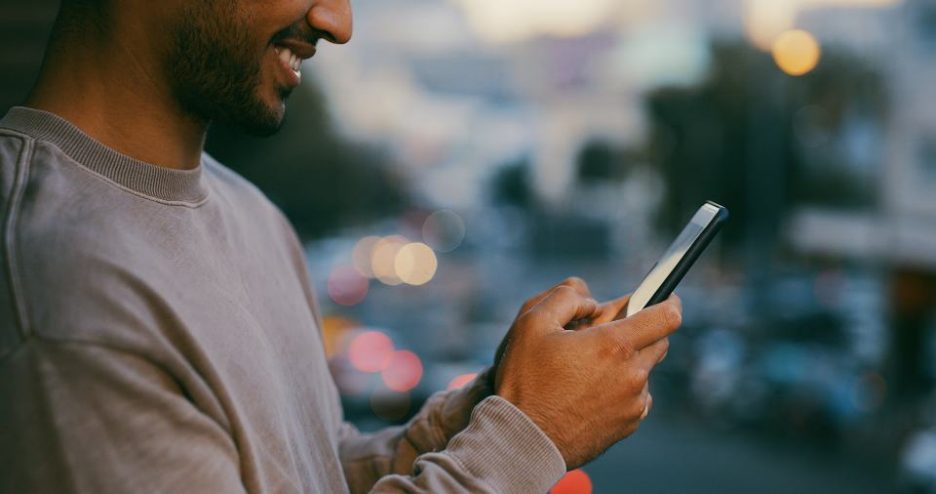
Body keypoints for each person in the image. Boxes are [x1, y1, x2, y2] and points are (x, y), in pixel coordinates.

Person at [0, 0, 682, 492]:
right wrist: (528, 436)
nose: (338, 21)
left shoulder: (250, 211)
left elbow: (313, 470)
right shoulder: (63, 293)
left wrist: (498, 402)